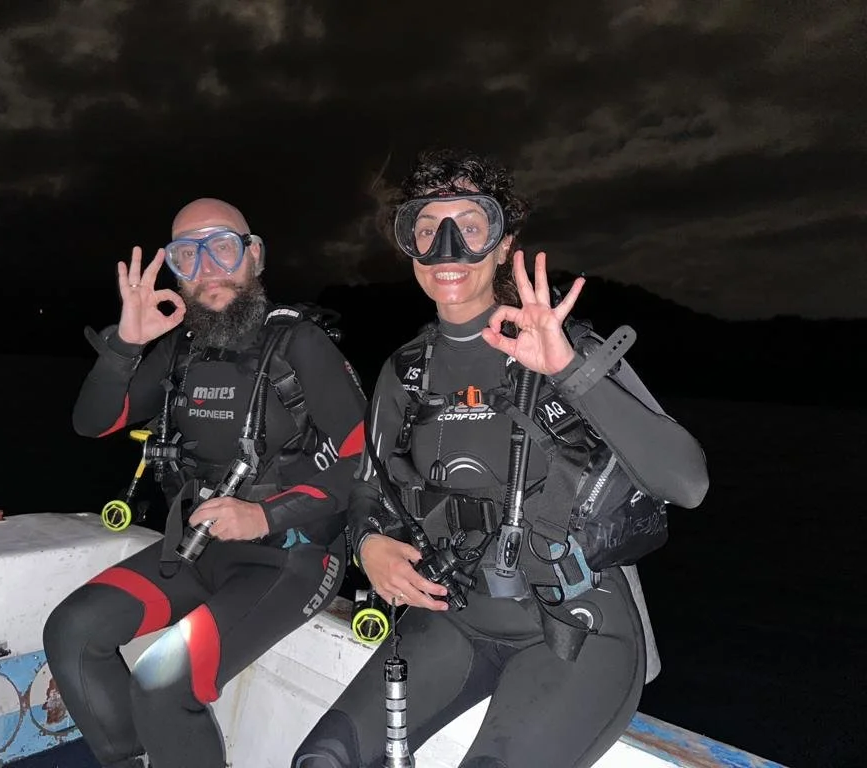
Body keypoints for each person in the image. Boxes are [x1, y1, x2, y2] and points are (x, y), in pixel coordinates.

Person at [292, 149, 709, 768]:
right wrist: (369, 547)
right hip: (455, 616)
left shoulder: (564, 348)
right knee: (323, 759)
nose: (447, 248)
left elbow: (688, 481)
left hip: (576, 625)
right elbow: (367, 495)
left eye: (471, 225)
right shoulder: (406, 372)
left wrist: (569, 370)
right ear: (408, 246)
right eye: (427, 229)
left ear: (502, 242)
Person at [44, 197, 367, 768]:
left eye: (222, 247)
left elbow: (361, 463)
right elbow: (93, 423)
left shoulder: (300, 346)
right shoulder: (178, 350)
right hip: (194, 552)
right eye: (186, 255)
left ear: (255, 256)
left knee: (161, 683)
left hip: (291, 560)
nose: (207, 268)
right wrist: (125, 342)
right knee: (72, 632)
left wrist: (264, 516)